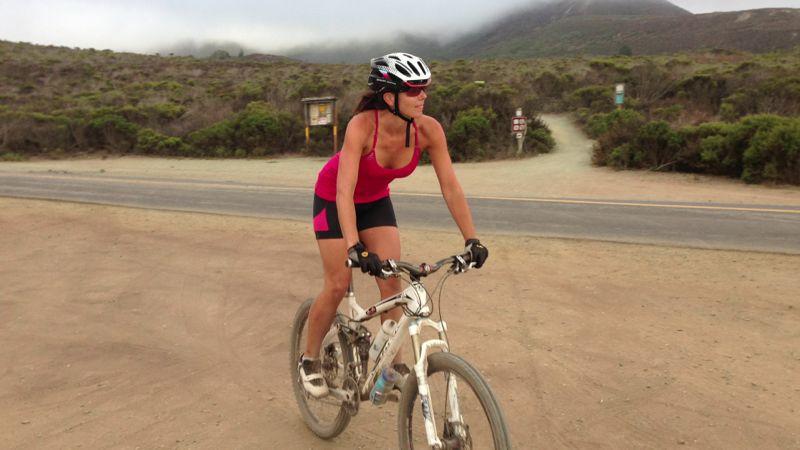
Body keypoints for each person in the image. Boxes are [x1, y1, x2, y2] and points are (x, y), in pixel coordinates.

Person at [300, 52, 489, 397]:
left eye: (425, 89)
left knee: (393, 285)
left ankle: (393, 367)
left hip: (374, 202)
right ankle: (309, 359)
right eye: (414, 90)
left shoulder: (428, 130)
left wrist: (471, 239)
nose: (423, 96)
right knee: (339, 282)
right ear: (390, 97)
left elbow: (450, 186)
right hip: (333, 199)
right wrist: (354, 247)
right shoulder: (362, 126)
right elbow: (344, 191)